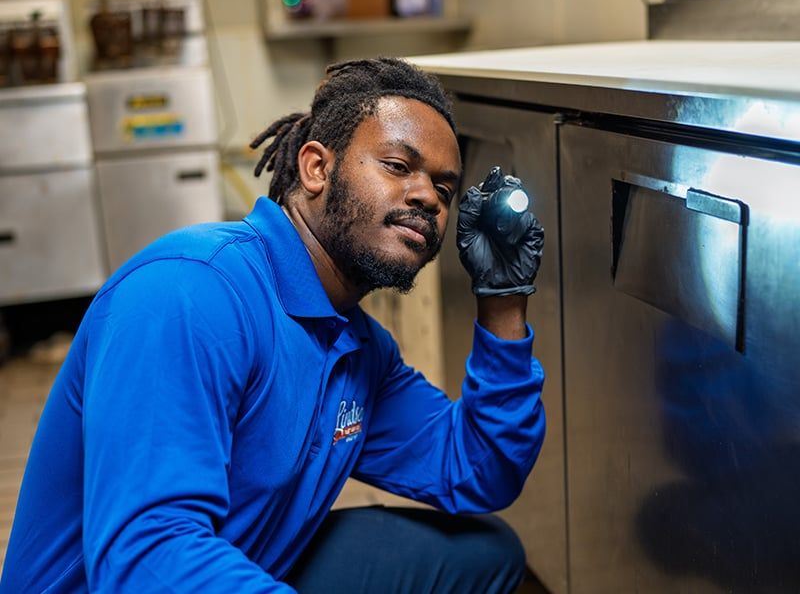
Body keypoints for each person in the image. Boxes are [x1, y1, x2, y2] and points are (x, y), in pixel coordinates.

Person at [0, 57, 545, 593]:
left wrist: (503, 300)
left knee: (484, 555)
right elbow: (147, 560)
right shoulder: (189, 293)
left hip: (241, 560)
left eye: (444, 190)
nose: (428, 197)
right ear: (315, 168)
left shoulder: (357, 348)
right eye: (398, 167)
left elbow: (479, 467)